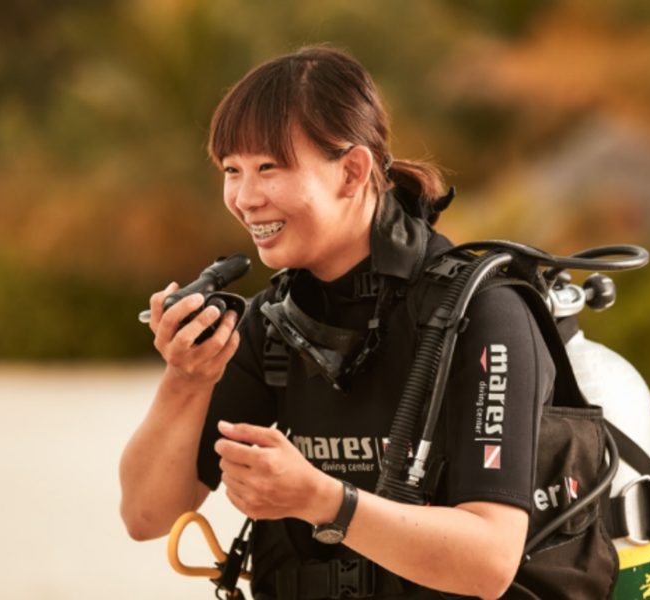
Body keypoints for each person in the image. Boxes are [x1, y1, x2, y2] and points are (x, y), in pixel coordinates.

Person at [120, 45, 560, 599]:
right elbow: (146, 515)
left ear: (352, 171)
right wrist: (185, 379)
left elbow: (490, 562)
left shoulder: (483, 314)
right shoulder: (276, 324)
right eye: (232, 170)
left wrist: (322, 500)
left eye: (268, 168)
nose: (245, 198)